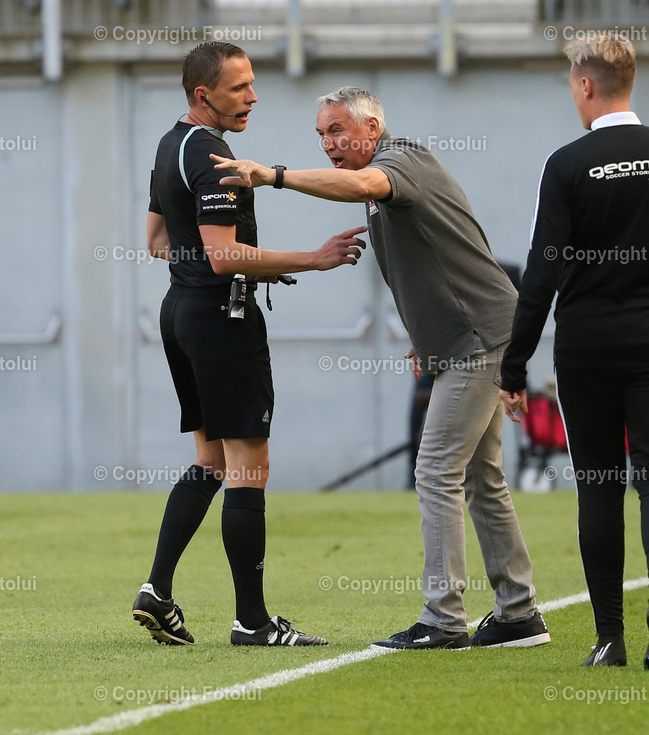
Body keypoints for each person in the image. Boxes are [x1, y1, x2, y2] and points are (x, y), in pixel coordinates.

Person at [213, 86, 550, 651]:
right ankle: (519, 613)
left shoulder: (399, 162)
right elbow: (443, 260)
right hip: (473, 336)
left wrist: (272, 175)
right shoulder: (384, 171)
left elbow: (363, 185)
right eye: (320, 134)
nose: (328, 144)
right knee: (480, 476)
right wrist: (427, 339)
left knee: (436, 470)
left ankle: (444, 620)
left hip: (480, 338)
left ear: (373, 128)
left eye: (337, 131)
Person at [132, 42, 366, 648]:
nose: (253, 97)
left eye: (253, 85)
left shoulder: (169, 144)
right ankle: (252, 622)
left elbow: (157, 240)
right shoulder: (212, 155)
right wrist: (312, 260)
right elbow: (224, 254)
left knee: (211, 460)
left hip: (179, 314)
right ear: (202, 95)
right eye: (240, 89)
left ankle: (157, 589)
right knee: (249, 466)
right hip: (220, 321)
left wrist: (230, 266)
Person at [498, 35, 649, 669]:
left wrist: (515, 366)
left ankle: (609, 638)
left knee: (597, 486)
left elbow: (542, 273)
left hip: (588, 346)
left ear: (585, 85)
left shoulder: (566, 164)